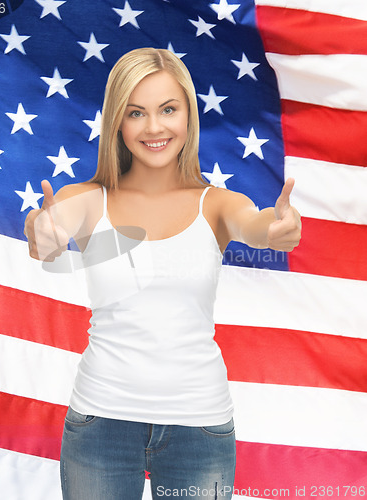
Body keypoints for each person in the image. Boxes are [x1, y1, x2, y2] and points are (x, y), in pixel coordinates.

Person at [24, 47, 301, 500]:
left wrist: (276, 230)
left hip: (200, 429)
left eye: (168, 109)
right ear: (118, 121)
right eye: (137, 113)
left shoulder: (217, 204)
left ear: (188, 116)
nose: (154, 128)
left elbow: (257, 224)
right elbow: (49, 225)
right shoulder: (89, 198)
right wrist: (43, 233)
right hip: (100, 425)